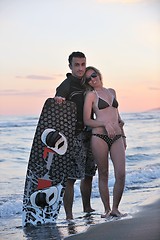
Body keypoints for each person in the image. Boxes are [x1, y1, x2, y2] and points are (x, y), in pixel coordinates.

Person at [54, 52, 96, 220]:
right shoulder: (66, 85)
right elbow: (56, 107)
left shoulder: (88, 85)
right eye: (77, 65)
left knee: (88, 175)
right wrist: (58, 100)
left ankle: (87, 208)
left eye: (83, 64)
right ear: (70, 66)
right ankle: (69, 216)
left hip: (90, 135)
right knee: (70, 178)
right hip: (73, 137)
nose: (80, 68)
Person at [83, 66, 126, 217]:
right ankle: (107, 209)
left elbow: (117, 117)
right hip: (99, 137)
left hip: (117, 136)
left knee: (121, 173)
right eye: (88, 78)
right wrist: (104, 124)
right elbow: (87, 120)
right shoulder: (91, 96)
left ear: (99, 74)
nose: (92, 79)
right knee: (103, 173)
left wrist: (124, 136)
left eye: (93, 75)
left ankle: (115, 208)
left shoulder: (112, 91)